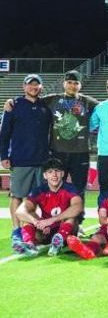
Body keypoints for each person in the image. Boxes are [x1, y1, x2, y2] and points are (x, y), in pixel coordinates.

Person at [3, 70, 98, 208]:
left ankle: (76, 224)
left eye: (75, 83)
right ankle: (57, 223)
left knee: (79, 191)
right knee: (55, 190)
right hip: (57, 152)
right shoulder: (51, 99)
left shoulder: (87, 101)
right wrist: (12, 100)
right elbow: (29, 99)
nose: (72, 86)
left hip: (80, 153)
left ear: (80, 85)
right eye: (69, 82)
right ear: (64, 84)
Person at [0, 73, 52, 249]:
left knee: (38, 200)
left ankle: (32, 230)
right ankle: (16, 231)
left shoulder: (45, 106)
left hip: (42, 160)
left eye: (37, 85)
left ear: (41, 87)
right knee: (17, 196)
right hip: (21, 159)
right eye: (30, 85)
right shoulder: (14, 106)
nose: (33, 87)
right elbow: (4, 133)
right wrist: (4, 156)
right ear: (24, 87)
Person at [13, 158, 83, 257]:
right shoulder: (39, 190)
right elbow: (20, 211)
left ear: (62, 174)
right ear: (45, 175)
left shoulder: (70, 188)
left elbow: (78, 207)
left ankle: (58, 242)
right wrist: (37, 222)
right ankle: (30, 244)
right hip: (45, 230)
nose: (54, 175)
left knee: (71, 216)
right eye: (50, 172)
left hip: (66, 230)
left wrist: (52, 220)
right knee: (28, 215)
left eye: (57, 171)